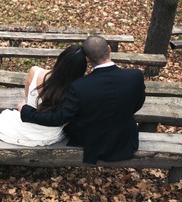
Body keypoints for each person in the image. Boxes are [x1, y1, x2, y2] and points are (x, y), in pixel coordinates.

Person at [18, 36, 146, 164]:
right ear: (109, 49)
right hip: (126, 141)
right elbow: (137, 104)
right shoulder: (135, 76)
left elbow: (58, 118)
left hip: (93, 144)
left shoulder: (79, 86)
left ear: (88, 59)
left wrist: (26, 110)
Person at [0, 44, 87, 146]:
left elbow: (27, 99)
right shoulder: (76, 90)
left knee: (4, 117)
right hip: (49, 134)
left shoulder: (35, 72)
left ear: (60, 59)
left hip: (25, 125)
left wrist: (25, 108)